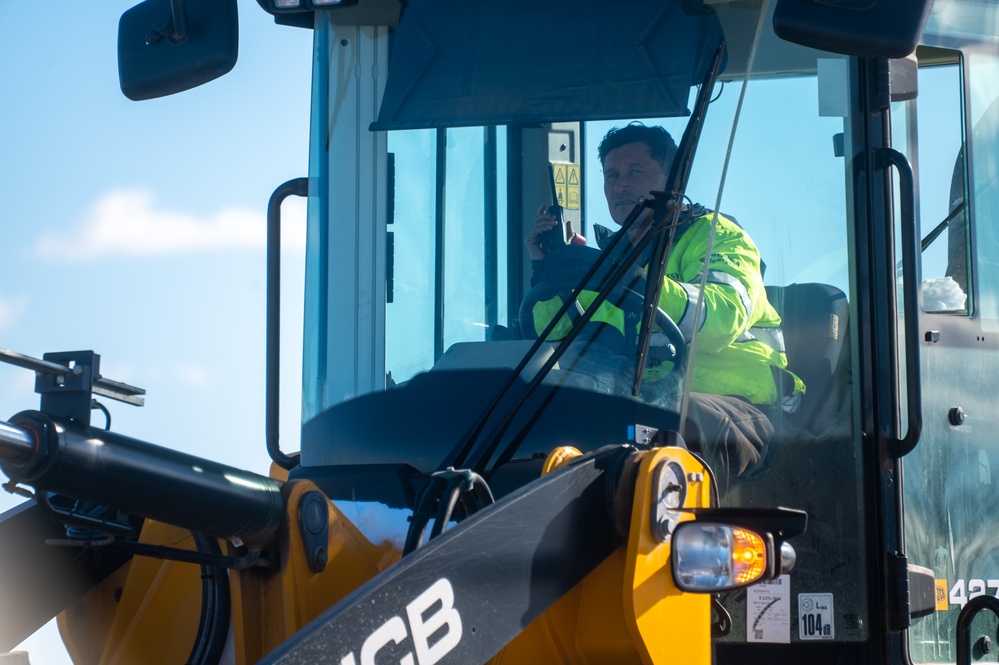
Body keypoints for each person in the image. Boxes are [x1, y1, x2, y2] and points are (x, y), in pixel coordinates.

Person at [525, 123, 803, 478]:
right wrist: (549, 271)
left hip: (738, 410)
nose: (620, 184)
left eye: (635, 171)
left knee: (650, 426)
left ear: (673, 182)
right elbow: (559, 336)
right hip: (643, 401)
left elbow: (721, 316)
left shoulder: (716, 235)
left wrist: (631, 281)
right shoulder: (613, 262)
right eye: (611, 175)